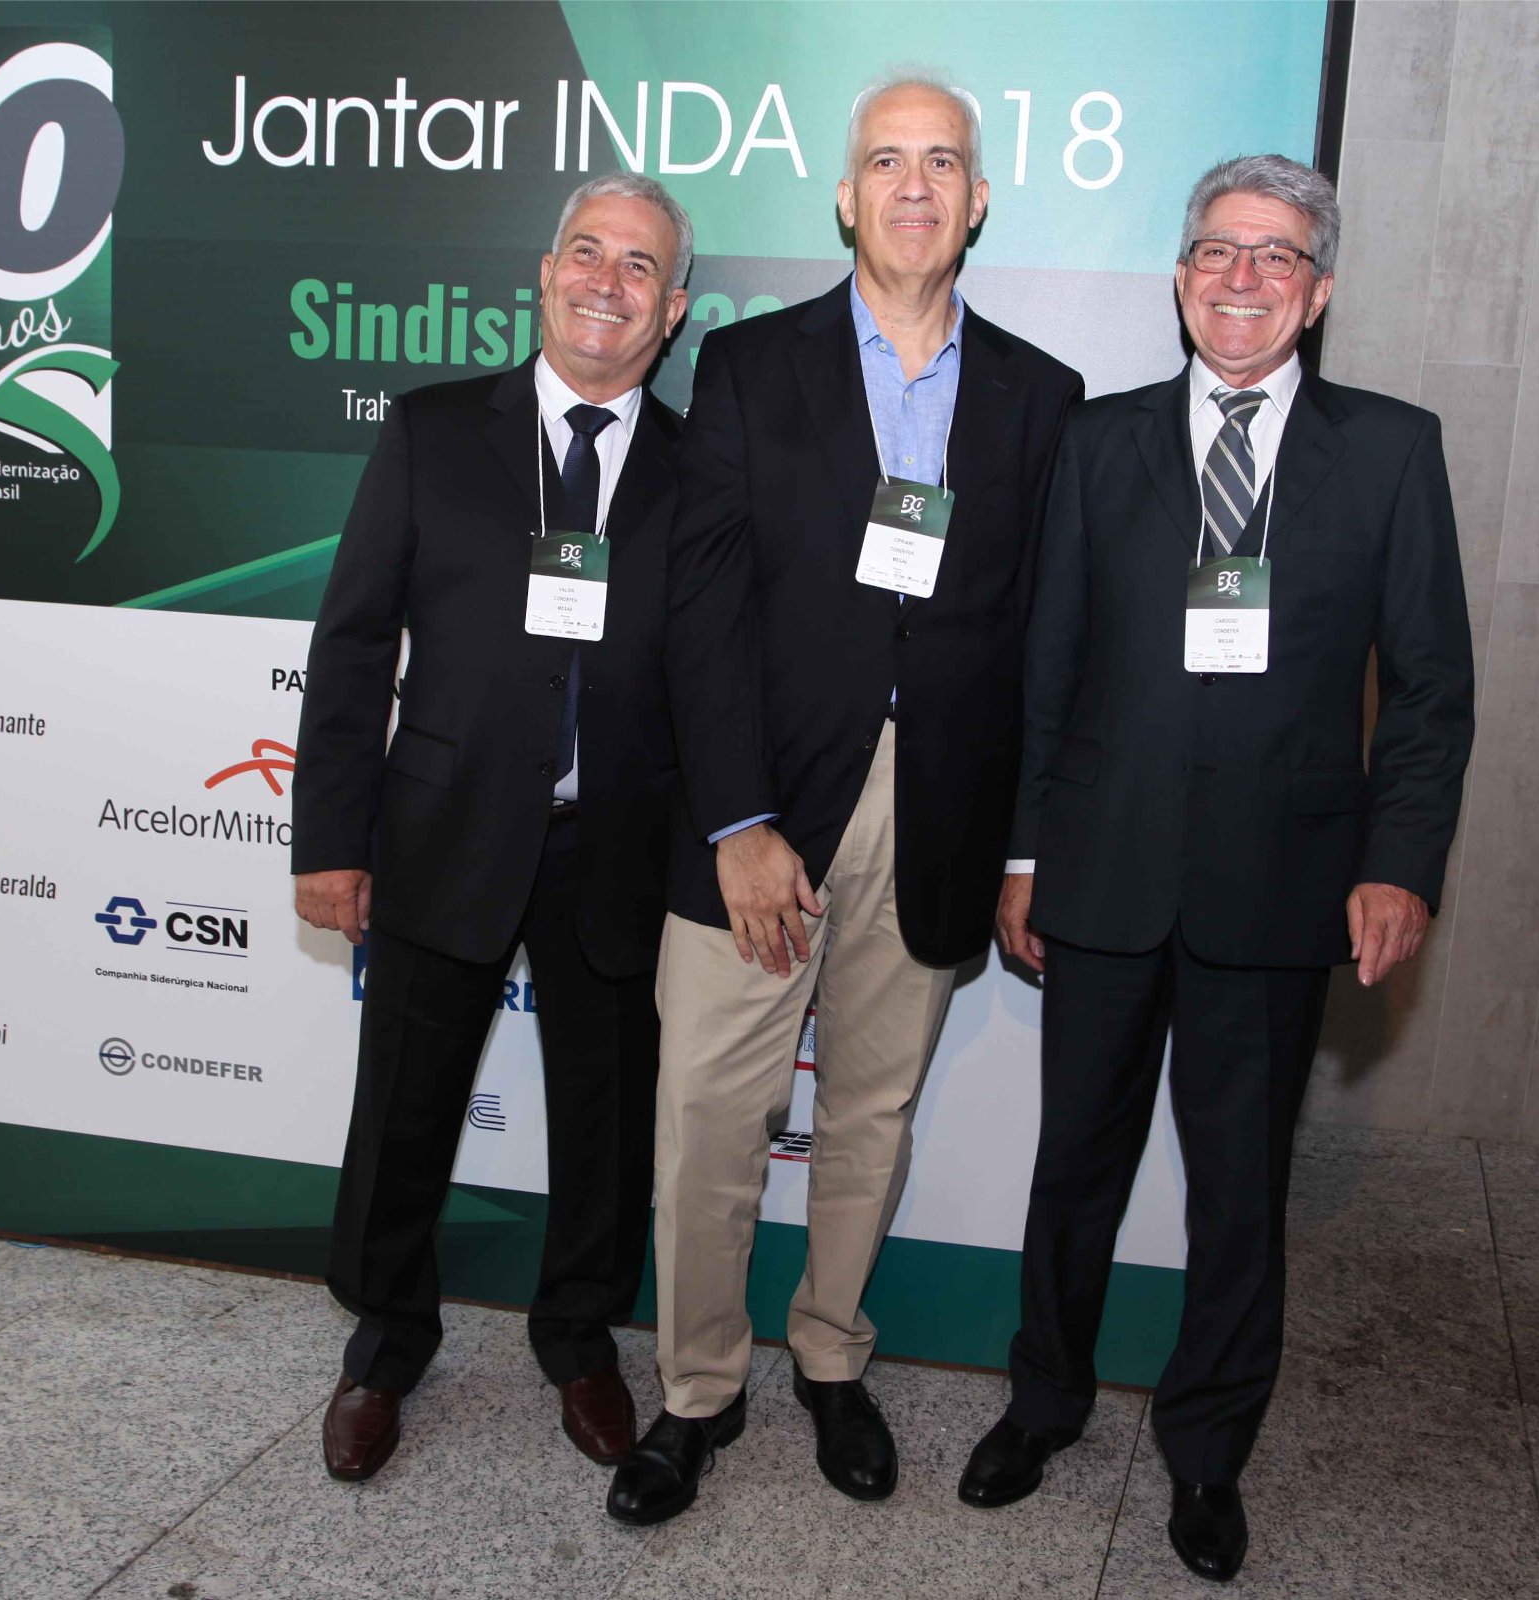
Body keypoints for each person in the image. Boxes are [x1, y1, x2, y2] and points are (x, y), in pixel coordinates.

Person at [959, 154, 1475, 1583]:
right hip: (1104, 872)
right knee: (1076, 1165)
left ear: (1319, 290)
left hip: (1281, 883)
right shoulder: (1100, 440)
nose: (1242, 279)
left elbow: (1430, 688)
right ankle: (1045, 1403)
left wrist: (1400, 862)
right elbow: (1049, 664)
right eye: (1217, 252)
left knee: (1240, 1191)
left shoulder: (1391, 452)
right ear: (1181, 276)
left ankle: (1205, 1453)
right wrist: (1024, 852)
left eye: (1275, 256)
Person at [605, 75, 1083, 1527]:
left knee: (871, 1113)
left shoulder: (1042, 398)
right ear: (845, 195)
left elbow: (1043, 646)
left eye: (942, 162)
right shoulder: (750, 367)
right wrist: (737, 820)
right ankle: (697, 1391)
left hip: (936, 820)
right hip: (763, 819)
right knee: (709, 1117)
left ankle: (828, 1358)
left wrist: (1024, 847)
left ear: (979, 200)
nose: (914, 186)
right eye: (887, 160)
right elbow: (701, 610)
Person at [291, 173, 693, 1483]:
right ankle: (384, 1343)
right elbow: (353, 644)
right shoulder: (433, 430)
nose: (607, 283)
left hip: (616, 845)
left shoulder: (700, 468)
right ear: (544, 274)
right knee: (403, 1109)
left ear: (672, 310)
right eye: (588, 252)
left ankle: (578, 1337)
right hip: (442, 827)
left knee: (605, 1119)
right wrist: (330, 839)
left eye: (639, 266)